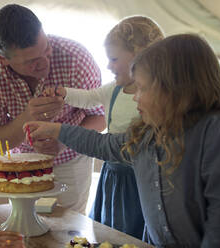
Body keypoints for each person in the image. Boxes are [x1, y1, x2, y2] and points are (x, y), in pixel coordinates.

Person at [25, 34, 220, 247]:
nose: (135, 96)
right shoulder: (148, 134)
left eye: (142, 88)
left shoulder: (214, 132)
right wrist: (56, 130)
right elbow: (103, 145)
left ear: (174, 89)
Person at [0, 4, 105, 213]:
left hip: (71, 158)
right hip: (20, 161)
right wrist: (27, 116)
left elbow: (101, 118)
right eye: (31, 61)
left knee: (69, 228)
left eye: (46, 49)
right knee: (24, 226)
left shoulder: (75, 58)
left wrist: (65, 139)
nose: (44, 63)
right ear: (2, 58)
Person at [43, 16, 164, 239]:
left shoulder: (158, 95)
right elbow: (89, 98)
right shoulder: (114, 90)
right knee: (110, 229)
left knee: (135, 232)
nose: (108, 65)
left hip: (141, 177)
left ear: (139, 56)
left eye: (114, 59)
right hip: (113, 173)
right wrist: (64, 93)